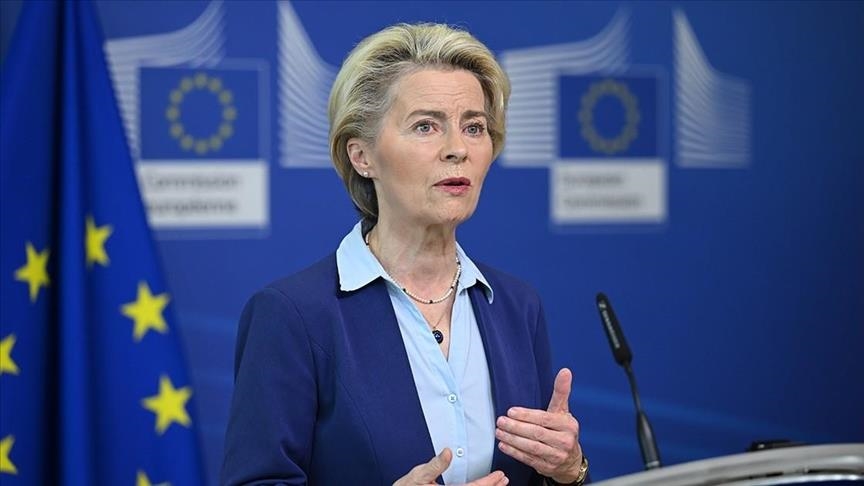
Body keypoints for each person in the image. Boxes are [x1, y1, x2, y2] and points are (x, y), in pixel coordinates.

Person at [221, 23, 587, 486]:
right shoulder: (293, 316)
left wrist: (569, 471)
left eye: (474, 127)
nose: (457, 149)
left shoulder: (517, 307)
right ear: (362, 156)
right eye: (425, 126)